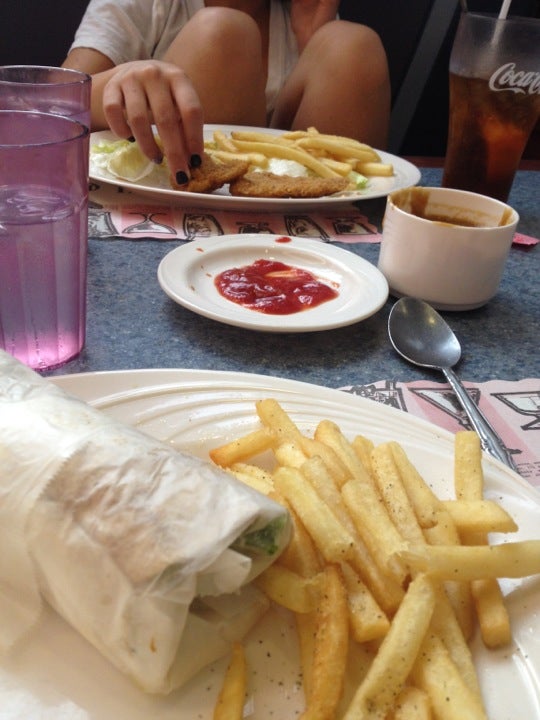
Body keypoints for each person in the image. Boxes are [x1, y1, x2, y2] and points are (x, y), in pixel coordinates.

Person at [62, 0, 391, 185]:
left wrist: (312, 42)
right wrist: (121, 82)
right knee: (222, 32)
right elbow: (50, 106)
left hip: (284, 233)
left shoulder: (302, 11)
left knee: (352, 46)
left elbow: (290, 156)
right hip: (157, 201)